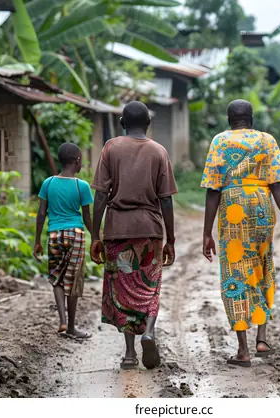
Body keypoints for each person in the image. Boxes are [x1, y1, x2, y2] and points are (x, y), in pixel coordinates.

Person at [200, 99, 280, 367]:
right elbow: (277, 183)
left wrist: (207, 232)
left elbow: (212, 189)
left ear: (229, 119)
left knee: (235, 273)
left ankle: (243, 350)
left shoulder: (220, 141)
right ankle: (262, 337)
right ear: (251, 119)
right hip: (262, 207)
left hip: (233, 208)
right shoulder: (266, 140)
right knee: (261, 266)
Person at [90, 101, 177, 371]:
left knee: (124, 289)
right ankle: (149, 331)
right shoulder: (159, 151)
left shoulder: (110, 148)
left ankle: (129, 354)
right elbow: (166, 200)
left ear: (122, 123)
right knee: (149, 285)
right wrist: (170, 239)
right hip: (149, 232)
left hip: (118, 232)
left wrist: (95, 234)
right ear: (149, 124)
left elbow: (101, 194)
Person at [34, 142, 94, 340]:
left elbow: (41, 213)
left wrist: (37, 241)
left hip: (54, 235)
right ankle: (71, 327)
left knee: (57, 278)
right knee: (74, 281)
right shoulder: (81, 186)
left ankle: (61, 320)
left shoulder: (48, 183)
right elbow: (87, 217)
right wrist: (96, 237)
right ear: (77, 161)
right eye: (81, 160)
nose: (82, 164)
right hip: (76, 235)